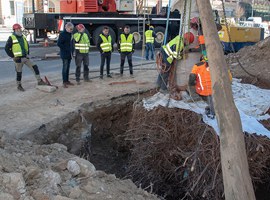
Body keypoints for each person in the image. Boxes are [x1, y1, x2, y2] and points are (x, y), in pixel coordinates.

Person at [5, 23, 46, 91]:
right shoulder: (11, 38)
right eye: (17, 29)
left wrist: (27, 54)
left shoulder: (22, 36)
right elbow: (7, 48)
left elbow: (26, 45)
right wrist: (13, 56)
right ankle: (19, 85)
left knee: (35, 67)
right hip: (18, 59)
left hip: (25, 57)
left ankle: (39, 81)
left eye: (20, 29)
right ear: (14, 30)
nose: (19, 30)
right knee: (19, 72)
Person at [57, 22, 74, 88]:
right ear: (66, 28)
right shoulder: (62, 34)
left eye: (72, 29)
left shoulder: (70, 34)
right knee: (65, 67)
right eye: (70, 29)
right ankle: (64, 81)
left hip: (69, 54)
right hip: (64, 54)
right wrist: (66, 49)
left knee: (68, 68)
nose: (71, 30)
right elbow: (59, 44)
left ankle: (67, 80)